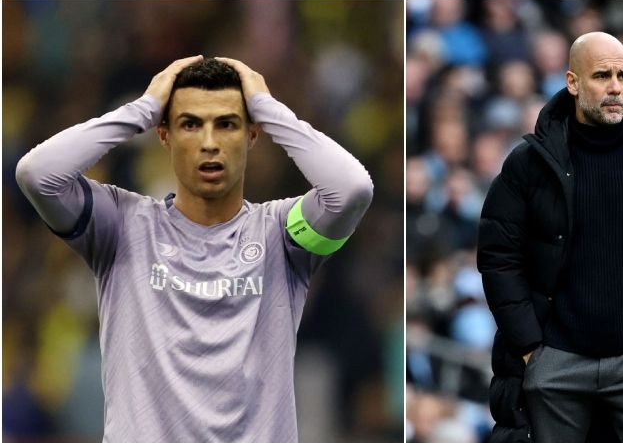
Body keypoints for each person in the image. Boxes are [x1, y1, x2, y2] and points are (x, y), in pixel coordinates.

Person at [16, 56, 374, 442]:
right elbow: (37, 175)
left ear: (252, 135)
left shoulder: (283, 235)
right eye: (190, 124)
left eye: (227, 124)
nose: (209, 143)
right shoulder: (120, 225)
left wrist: (269, 110)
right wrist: (143, 109)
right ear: (164, 134)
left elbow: (351, 189)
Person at [478, 32, 623, 442]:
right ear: (573, 83)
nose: (615, 88)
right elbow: (499, 257)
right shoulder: (528, 164)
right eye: (602, 75)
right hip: (556, 365)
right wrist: (532, 348)